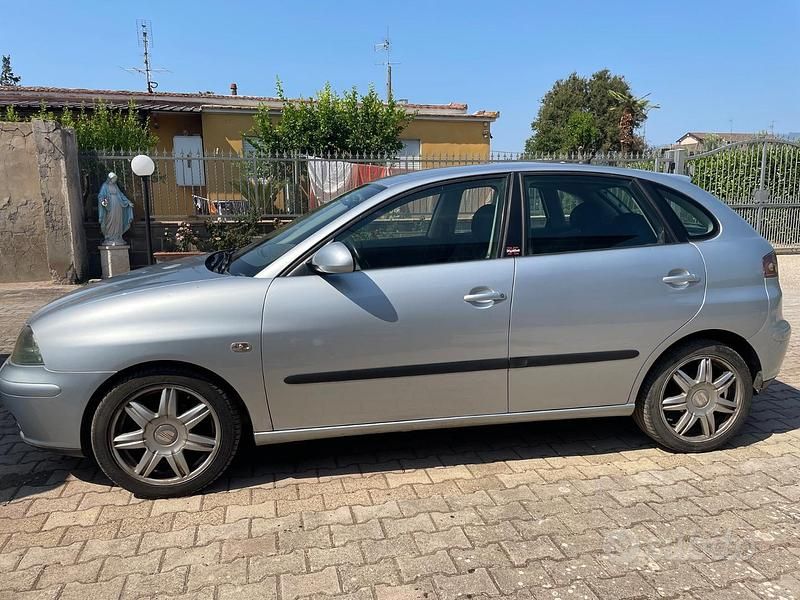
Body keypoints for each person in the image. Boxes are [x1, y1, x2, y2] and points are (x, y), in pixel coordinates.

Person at [98, 172, 134, 246]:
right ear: (110, 178)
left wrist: (127, 202)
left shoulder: (115, 186)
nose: (115, 180)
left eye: (115, 179)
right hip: (110, 206)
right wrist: (103, 201)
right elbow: (101, 196)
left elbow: (121, 195)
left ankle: (117, 237)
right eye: (114, 178)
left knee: (118, 220)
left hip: (118, 205)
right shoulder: (105, 186)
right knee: (110, 220)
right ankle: (110, 237)